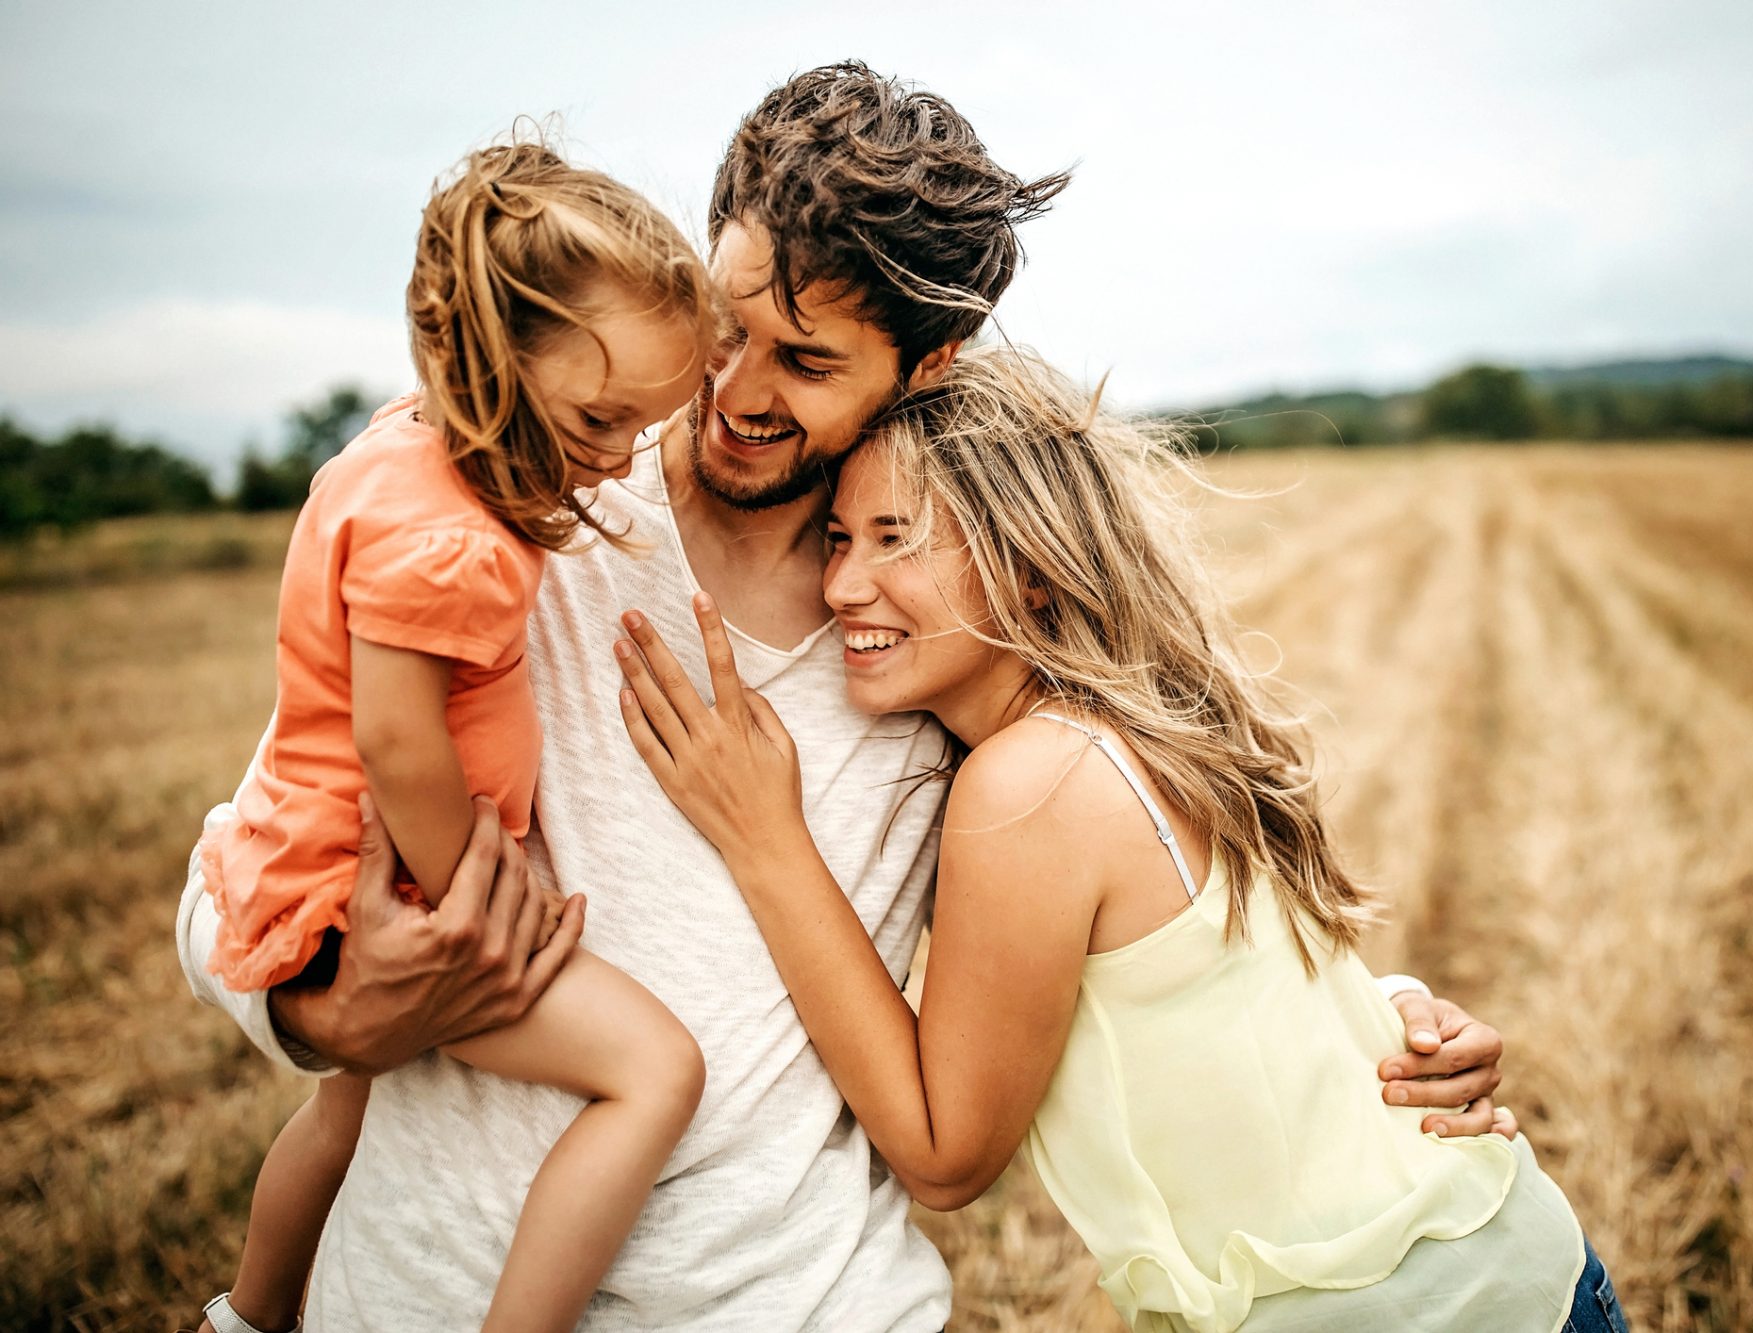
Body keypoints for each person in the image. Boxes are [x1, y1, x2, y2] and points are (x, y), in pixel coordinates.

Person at [178, 64, 1512, 1328]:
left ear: (925, 366)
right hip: (425, 1291)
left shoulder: (924, 620)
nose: (735, 394)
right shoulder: (517, 497)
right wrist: (316, 1013)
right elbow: (257, 853)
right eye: (726, 327)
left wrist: (1377, 1028)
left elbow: (1129, 849)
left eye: (806, 365)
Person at [612, 345, 1628, 1333]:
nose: (842, 586)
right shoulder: (1128, 733)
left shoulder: (1031, 782)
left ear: (1035, 572)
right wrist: (1400, 1009)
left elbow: (942, 1154)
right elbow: (1228, 995)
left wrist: (764, 837)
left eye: (897, 538)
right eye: (839, 539)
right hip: (1506, 1272)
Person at [193, 140, 716, 1333]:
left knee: (341, 1119)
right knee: (655, 1073)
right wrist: (477, 903)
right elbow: (399, 744)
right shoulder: (460, 543)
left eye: (648, 421)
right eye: (601, 413)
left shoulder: (395, 456)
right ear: (494, 353)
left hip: (306, 865)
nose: (625, 450)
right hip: (374, 897)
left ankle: (247, 1315)